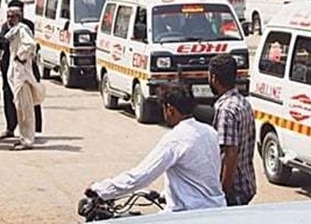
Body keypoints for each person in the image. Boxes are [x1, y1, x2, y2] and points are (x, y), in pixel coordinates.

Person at [86, 83, 226, 211]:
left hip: (186, 215)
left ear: (170, 109)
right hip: (216, 209)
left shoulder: (175, 139)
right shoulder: (210, 132)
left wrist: (100, 190)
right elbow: (202, 174)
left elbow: (140, 177)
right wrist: (167, 193)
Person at [209, 54, 256, 206]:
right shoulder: (242, 102)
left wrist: (222, 193)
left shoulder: (226, 110)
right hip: (246, 183)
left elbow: (230, 155)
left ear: (214, 78)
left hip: (234, 189)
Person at [0, 0, 43, 138]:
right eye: (8, 16)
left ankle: (29, 134)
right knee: (10, 99)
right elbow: (2, 42)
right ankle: (11, 127)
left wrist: (20, 56)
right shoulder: (7, 28)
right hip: (10, 68)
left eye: (13, 16)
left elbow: (31, 45)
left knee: (26, 102)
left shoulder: (24, 27)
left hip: (24, 70)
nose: (10, 19)